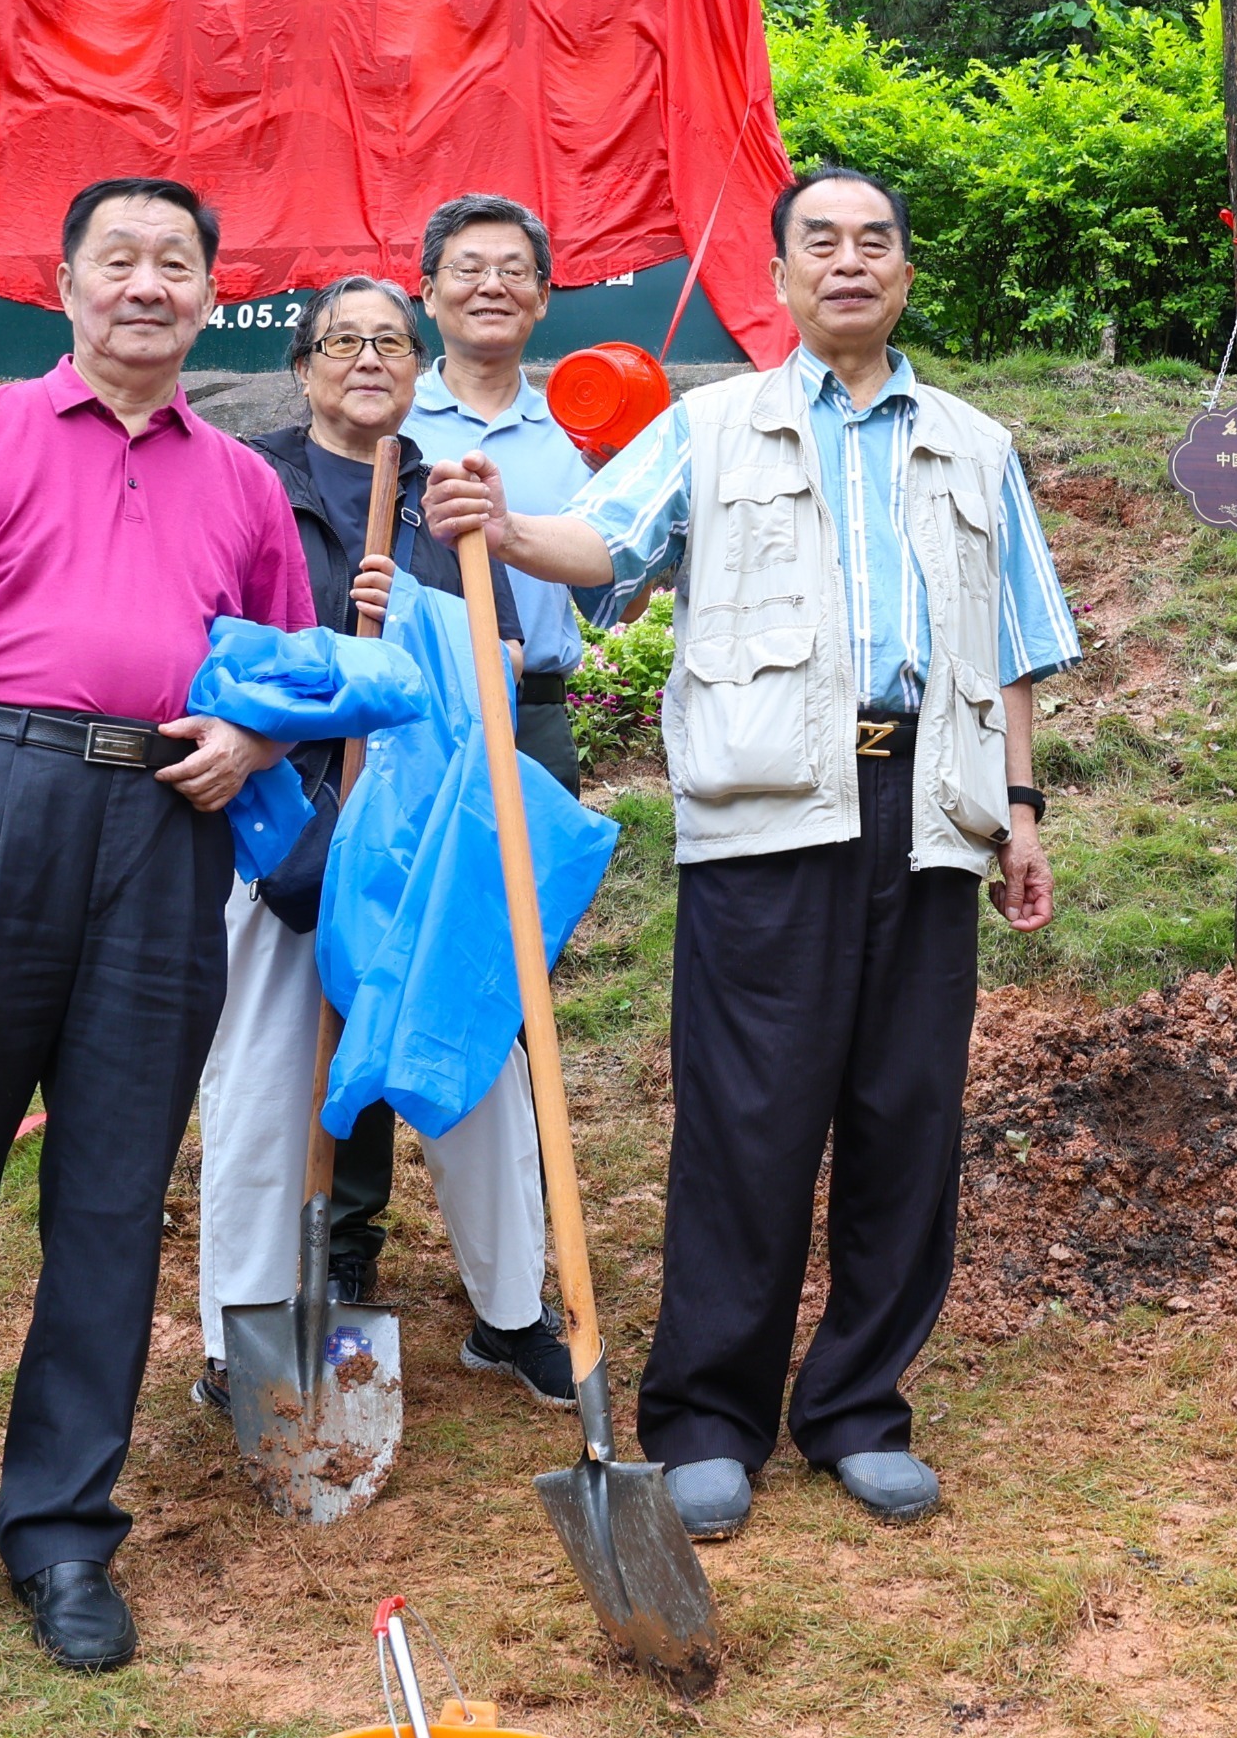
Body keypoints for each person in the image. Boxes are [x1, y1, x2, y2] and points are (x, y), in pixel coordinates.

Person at [423, 167, 1075, 1541]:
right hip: (768, 811)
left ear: (905, 275)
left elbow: (1015, 644)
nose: (849, 261)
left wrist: (1021, 810)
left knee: (907, 1117)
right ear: (776, 278)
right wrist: (500, 523)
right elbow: (600, 542)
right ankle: (711, 1415)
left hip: (932, 814)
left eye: (875, 242)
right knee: (747, 1117)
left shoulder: (974, 443)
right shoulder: (712, 425)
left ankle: (858, 1408)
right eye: (819, 242)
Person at [0, 180, 310, 1674]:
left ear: (214, 296)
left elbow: (288, 673)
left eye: (178, 263)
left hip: (165, 826)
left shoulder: (241, 478)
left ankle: (61, 1530)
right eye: (121, 259)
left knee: (110, 1197)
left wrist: (253, 741)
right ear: (68, 281)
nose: (148, 284)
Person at [191, 272, 570, 1416]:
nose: (367, 358)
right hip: (292, 825)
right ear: (302, 363)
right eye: (341, 340)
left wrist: (412, 618)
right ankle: (241, 1338)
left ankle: (511, 1314)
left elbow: (499, 660)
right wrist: (338, 658)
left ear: (419, 369)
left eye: (390, 342)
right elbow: (216, 643)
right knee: (262, 1081)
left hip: (429, 830)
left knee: (476, 1063)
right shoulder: (246, 476)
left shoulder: (446, 493)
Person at [302, 192, 626, 1311]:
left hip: (523, 713)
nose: (490, 285)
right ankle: (344, 1236)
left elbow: (623, 587)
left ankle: (515, 1272)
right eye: (466, 268)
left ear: (544, 292)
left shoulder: (579, 437)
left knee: (493, 965)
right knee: (359, 957)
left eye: (514, 268)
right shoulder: (384, 408)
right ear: (427, 288)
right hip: (392, 716)